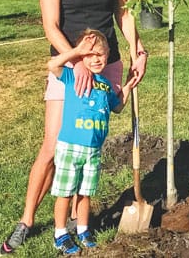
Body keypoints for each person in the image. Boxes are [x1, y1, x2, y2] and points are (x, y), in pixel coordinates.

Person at [0, 0, 148, 255]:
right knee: (53, 146)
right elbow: (50, 25)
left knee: (88, 143)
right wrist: (77, 60)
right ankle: (27, 220)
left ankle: (77, 222)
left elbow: (123, 14)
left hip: (106, 64)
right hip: (69, 68)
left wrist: (137, 50)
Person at [49, 30, 137, 254]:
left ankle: (83, 229)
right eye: (90, 54)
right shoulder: (72, 77)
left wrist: (127, 86)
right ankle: (60, 233)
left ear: (107, 55)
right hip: (70, 146)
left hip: (93, 150)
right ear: (81, 58)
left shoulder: (105, 85)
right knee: (65, 193)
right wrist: (76, 52)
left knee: (85, 193)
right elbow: (53, 65)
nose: (96, 59)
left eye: (101, 54)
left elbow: (117, 107)